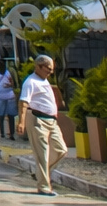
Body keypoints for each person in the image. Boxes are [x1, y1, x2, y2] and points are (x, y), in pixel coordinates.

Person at [17, 54, 66, 196]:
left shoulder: (44, 81)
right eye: (48, 69)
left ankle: (40, 173)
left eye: (52, 69)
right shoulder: (31, 82)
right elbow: (23, 102)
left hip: (52, 121)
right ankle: (44, 186)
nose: (51, 72)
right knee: (42, 154)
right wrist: (21, 121)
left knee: (61, 149)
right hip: (38, 120)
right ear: (38, 67)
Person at [0, 60, 18, 140]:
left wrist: (10, 85)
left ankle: (10, 134)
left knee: (9, 115)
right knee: (2, 115)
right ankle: (3, 133)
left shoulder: (9, 72)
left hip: (9, 96)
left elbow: (14, 83)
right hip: (1, 97)